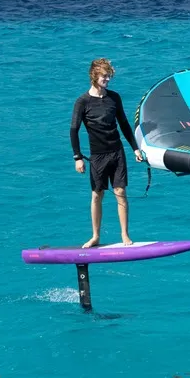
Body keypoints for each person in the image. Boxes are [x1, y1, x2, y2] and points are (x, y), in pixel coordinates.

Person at [70, 58, 143, 248]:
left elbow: (124, 124)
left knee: (120, 192)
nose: (108, 79)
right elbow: (74, 130)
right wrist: (78, 157)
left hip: (116, 152)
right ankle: (95, 236)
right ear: (94, 76)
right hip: (97, 155)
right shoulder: (82, 102)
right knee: (97, 194)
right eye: (104, 76)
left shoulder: (114, 98)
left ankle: (125, 234)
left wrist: (135, 148)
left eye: (109, 76)